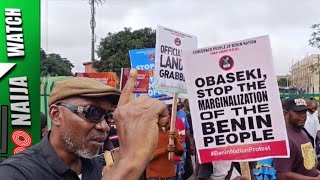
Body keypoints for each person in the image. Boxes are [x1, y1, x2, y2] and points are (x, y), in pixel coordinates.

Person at [0, 69, 170, 180]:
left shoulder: (99, 167)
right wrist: (129, 164)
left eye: (107, 116)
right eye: (93, 113)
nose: (104, 126)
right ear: (56, 114)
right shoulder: (16, 173)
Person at [273, 98, 320, 179]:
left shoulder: (302, 131)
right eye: (298, 112)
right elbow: (282, 175)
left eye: (304, 112)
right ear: (286, 114)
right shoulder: (285, 139)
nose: (303, 116)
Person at [146, 115, 184, 180]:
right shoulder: (149, 132)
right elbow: (147, 156)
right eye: (164, 116)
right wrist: (165, 150)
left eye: (168, 115)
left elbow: (180, 151)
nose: (168, 118)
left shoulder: (173, 131)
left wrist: (175, 140)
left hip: (170, 175)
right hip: (154, 175)